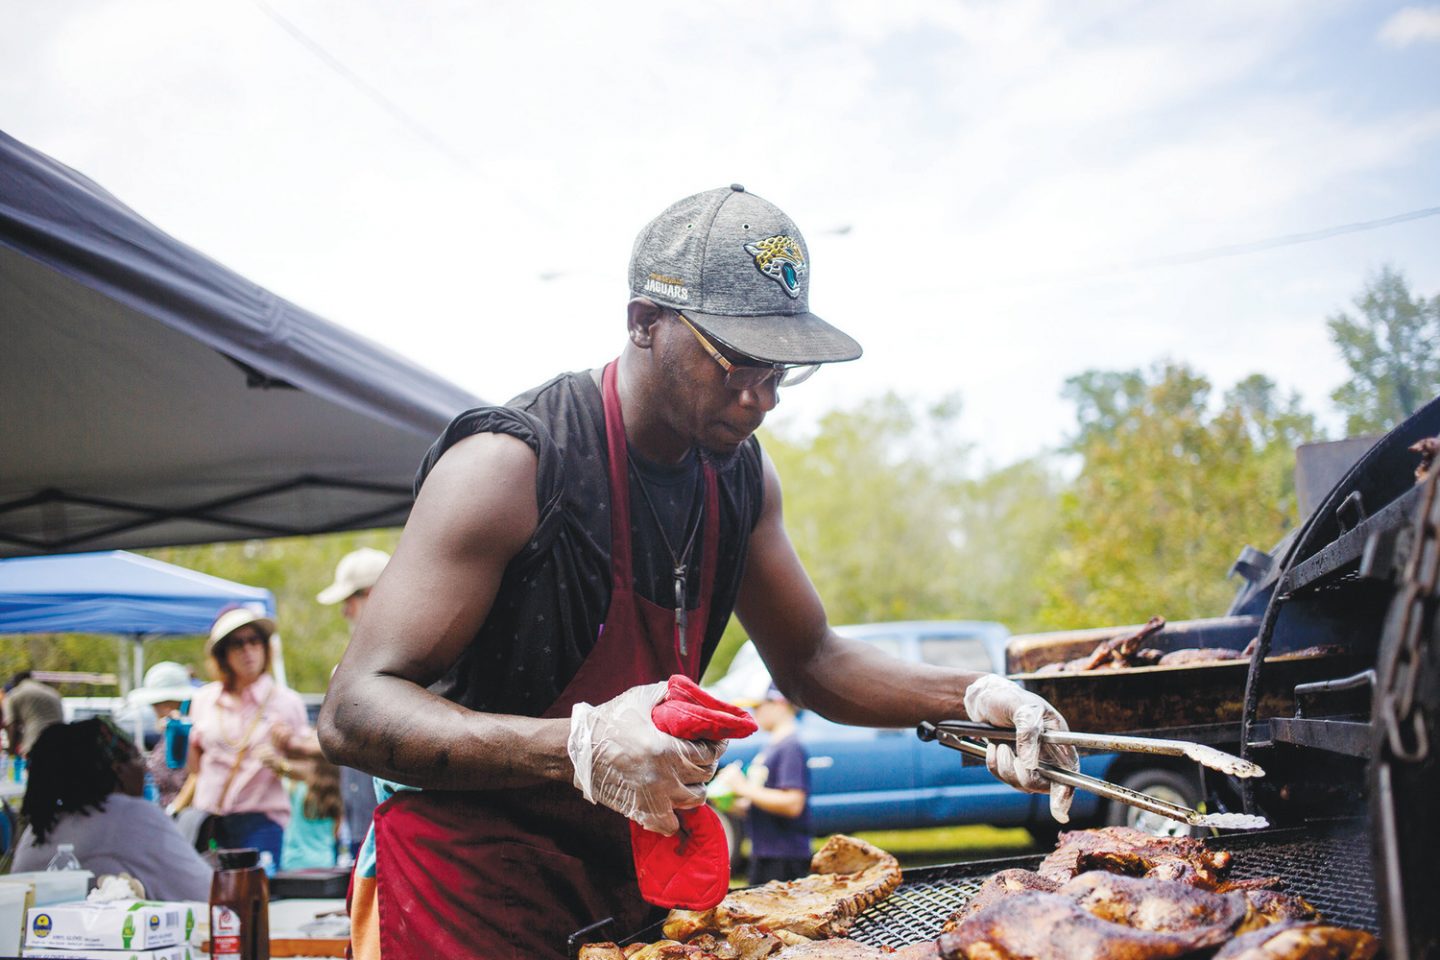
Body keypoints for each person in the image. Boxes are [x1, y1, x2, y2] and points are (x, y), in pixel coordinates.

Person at [319, 185, 1078, 960]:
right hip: (466, 894)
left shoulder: (743, 479)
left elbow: (813, 659)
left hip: (624, 882)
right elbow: (352, 711)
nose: (762, 398)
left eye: (781, 369)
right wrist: (576, 745)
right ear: (645, 322)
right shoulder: (509, 467)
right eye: (735, 362)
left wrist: (977, 697)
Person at [12, 719, 212, 901]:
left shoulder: (41, 826)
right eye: (137, 759)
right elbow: (206, 892)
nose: (145, 769)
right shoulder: (129, 816)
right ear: (119, 769)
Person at [172, 607, 309, 865]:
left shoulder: (287, 702)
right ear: (222, 654)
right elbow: (195, 769)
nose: (248, 650)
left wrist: (286, 755)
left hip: (260, 821)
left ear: (266, 647)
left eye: (254, 641)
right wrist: (182, 739)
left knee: (256, 899)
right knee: (209, 898)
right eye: (237, 643)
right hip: (209, 820)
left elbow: (311, 774)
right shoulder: (204, 699)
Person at [316, 547, 389, 860]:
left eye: (348, 601)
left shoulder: (403, 658)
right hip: (362, 821)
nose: (345, 612)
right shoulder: (355, 658)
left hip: (389, 819)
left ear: (371, 595)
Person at [720, 684, 812, 885]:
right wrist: (732, 803)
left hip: (785, 857)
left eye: (758, 706)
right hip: (764, 852)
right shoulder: (771, 746)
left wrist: (742, 787)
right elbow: (765, 799)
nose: (754, 713)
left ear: (779, 703)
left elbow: (792, 803)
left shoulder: (790, 747)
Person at [126, 660, 195, 808]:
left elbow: (196, 777)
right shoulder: (173, 732)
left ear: (165, 705)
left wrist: (175, 809)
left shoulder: (182, 733)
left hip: (179, 818)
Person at [2, 671, 64, 760]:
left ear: (15, 683)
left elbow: (13, 726)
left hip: (35, 740)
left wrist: (11, 749)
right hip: (60, 740)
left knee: (37, 770)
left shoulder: (15, 694)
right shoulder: (52, 692)